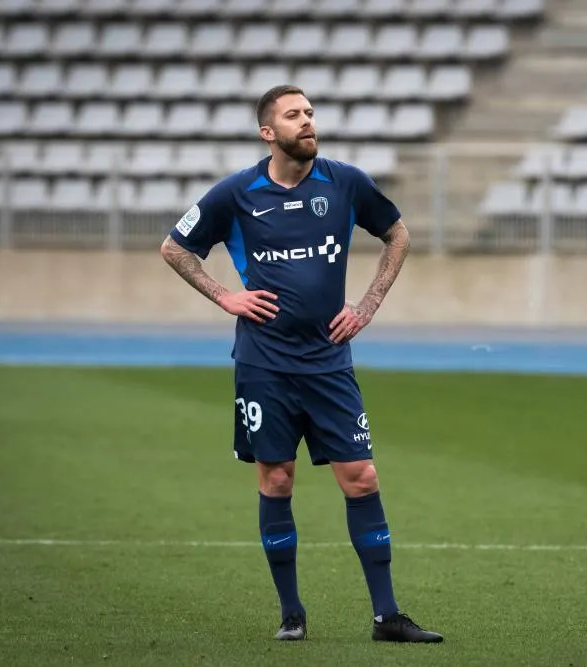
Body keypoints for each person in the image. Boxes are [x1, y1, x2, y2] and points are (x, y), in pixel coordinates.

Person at [159, 84, 443, 643]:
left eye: (310, 112)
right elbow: (174, 248)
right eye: (294, 115)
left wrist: (366, 306)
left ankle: (387, 616)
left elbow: (397, 233)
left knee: (361, 478)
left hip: (329, 363)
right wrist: (226, 297)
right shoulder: (237, 193)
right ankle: (292, 614)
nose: (307, 121)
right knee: (277, 479)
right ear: (269, 132)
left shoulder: (345, 182)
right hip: (264, 365)